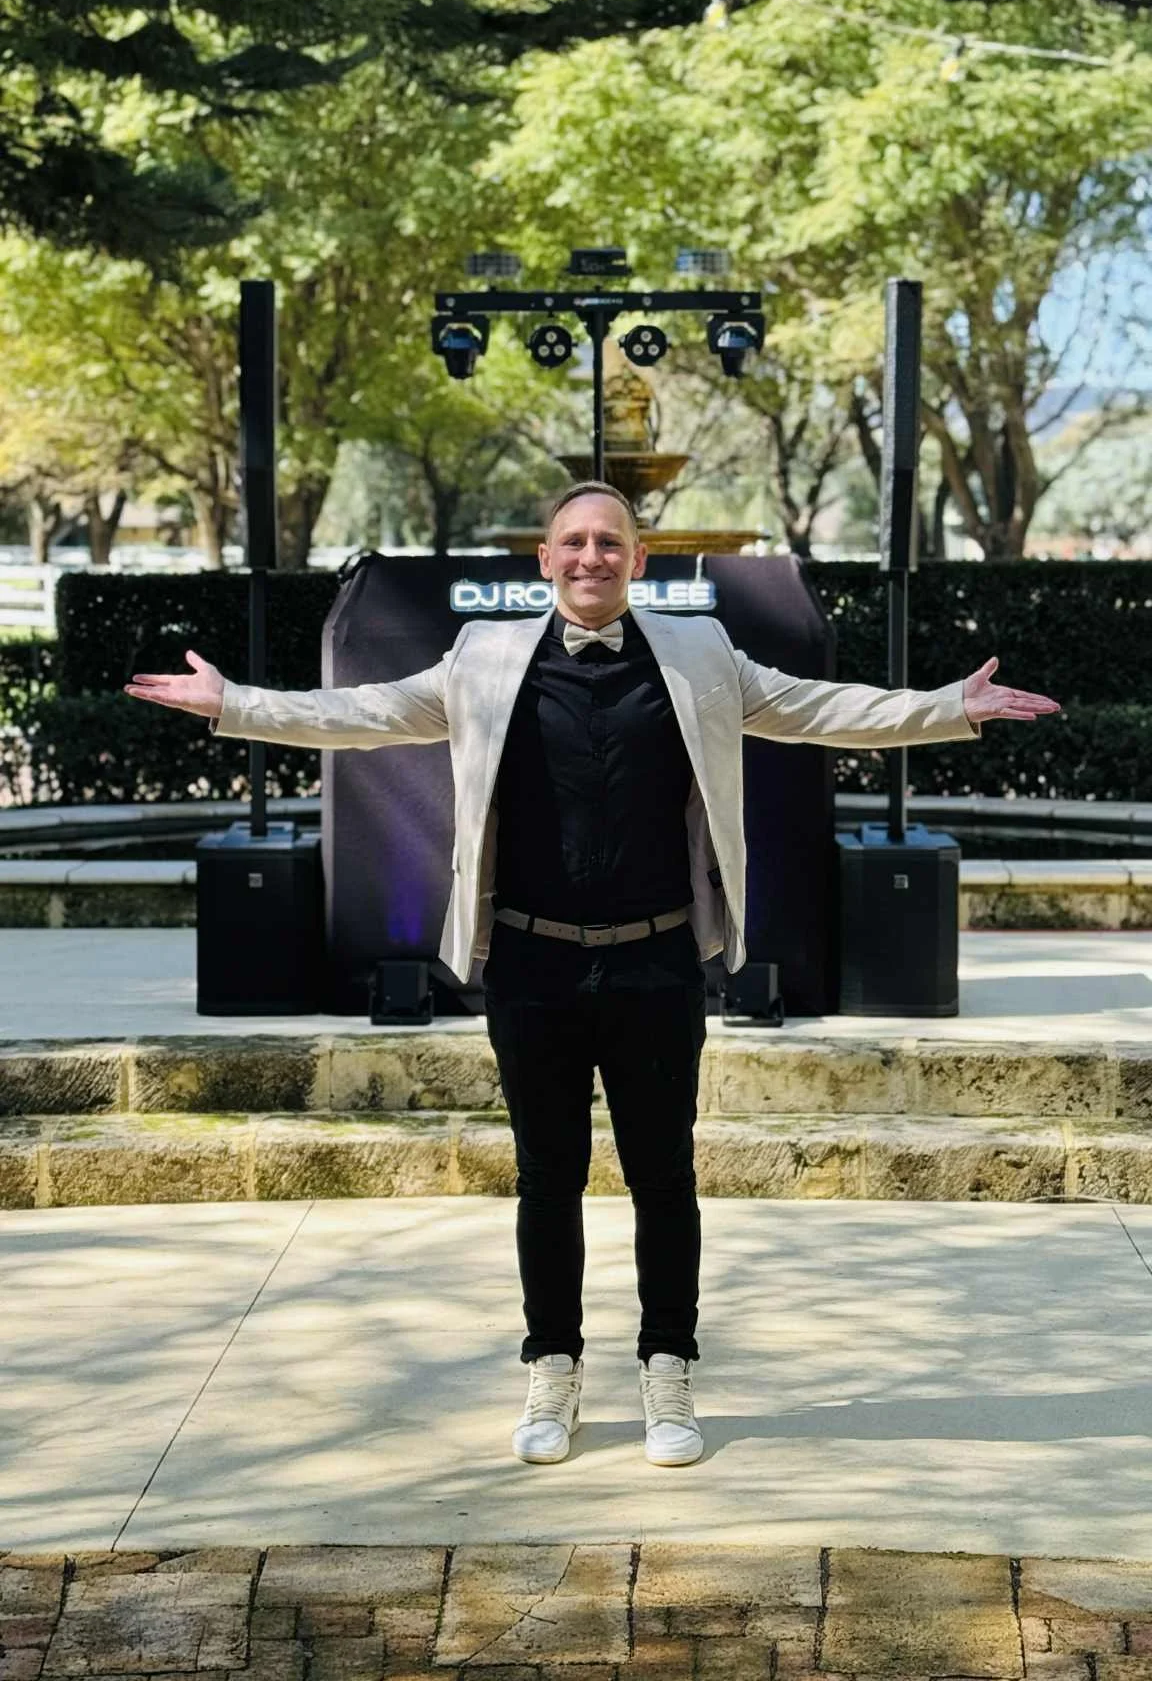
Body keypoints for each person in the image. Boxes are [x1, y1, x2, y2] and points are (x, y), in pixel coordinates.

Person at [124, 481, 1060, 1469]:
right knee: (547, 1181)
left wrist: (952, 706)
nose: (590, 556)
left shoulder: (698, 654)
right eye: (572, 541)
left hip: (659, 958)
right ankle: (554, 1364)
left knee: (666, 1180)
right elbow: (364, 712)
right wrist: (231, 703)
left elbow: (820, 707)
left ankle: (667, 1367)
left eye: (609, 541)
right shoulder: (484, 657)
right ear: (544, 557)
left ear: (638, 557)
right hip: (529, 961)